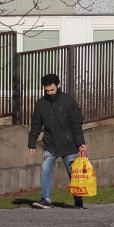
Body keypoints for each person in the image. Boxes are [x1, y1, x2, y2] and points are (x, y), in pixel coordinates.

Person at [28, 73, 87, 209]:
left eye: (52, 90)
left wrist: (80, 143)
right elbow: (36, 124)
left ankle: (78, 201)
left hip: (69, 144)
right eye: (46, 90)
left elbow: (76, 123)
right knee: (45, 169)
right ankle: (46, 199)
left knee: (73, 173)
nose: (49, 93)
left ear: (58, 85)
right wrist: (32, 143)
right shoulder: (41, 104)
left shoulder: (68, 101)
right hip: (50, 144)